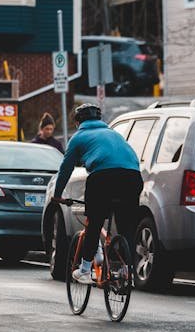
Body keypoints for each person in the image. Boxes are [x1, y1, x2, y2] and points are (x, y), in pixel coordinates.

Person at [52, 103, 143, 285]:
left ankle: (85, 270)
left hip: (103, 177)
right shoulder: (115, 134)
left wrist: (57, 195)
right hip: (133, 177)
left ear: (78, 122)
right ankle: (128, 270)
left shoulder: (78, 137)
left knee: (94, 222)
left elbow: (65, 169)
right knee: (127, 227)